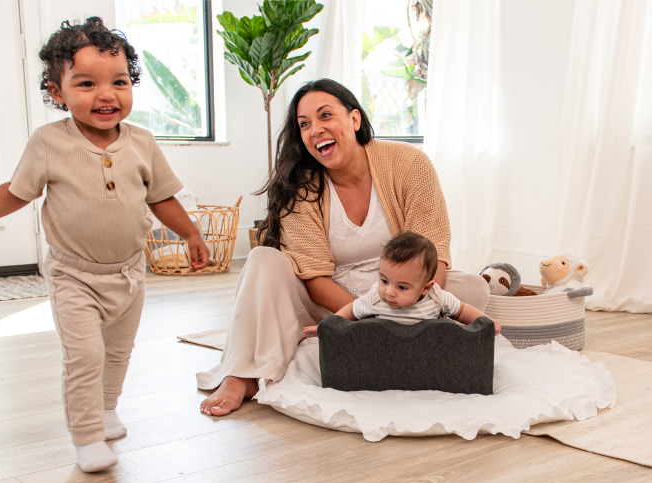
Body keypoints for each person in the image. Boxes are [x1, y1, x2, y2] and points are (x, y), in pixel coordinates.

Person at [0, 17, 209, 473]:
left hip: (128, 273)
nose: (106, 94)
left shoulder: (142, 142)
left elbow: (161, 196)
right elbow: (16, 192)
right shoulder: (48, 142)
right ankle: (86, 437)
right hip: (73, 275)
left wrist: (190, 233)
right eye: (86, 83)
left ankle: (106, 409)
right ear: (58, 92)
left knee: (119, 352)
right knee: (85, 354)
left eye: (119, 82)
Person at [198, 79, 491, 417]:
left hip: (404, 294)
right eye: (304, 124)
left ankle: (364, 339)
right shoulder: (299, 185)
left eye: (325, 116)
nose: (314, 130)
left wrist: (411, 305)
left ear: (354, 119)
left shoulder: (410, 164)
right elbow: (315, 279)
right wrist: (368, 316)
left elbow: (433, 252)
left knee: (472, 287)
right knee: (263, 258)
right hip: (330, 301)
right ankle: (243, 374)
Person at [303, 232, 501, 332]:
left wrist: (485, 321)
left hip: (425, 350)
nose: (389, 292)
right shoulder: (375, 297)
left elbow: (462, 310)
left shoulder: (436, 296)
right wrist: (327, 326)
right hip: (387, 350)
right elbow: (350, 311)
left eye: (402, 287)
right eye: (384, 280)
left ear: (425, 287)